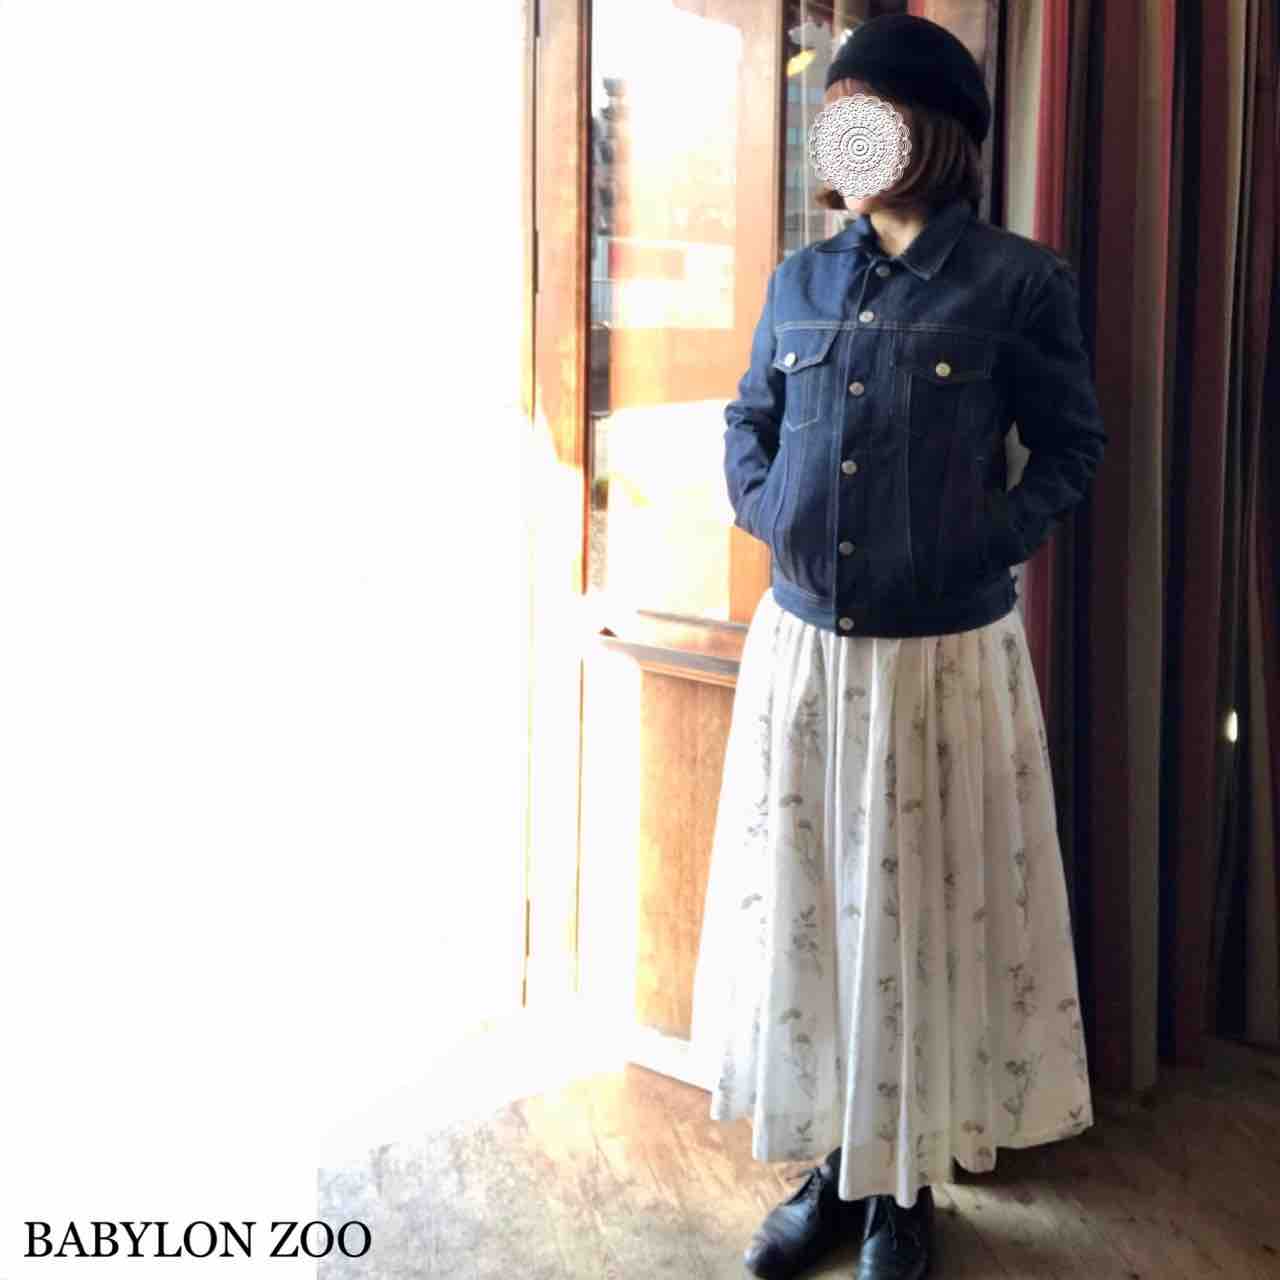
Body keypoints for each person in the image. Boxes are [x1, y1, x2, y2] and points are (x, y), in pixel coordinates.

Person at [688, 14, 1107, 1280]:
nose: (842, 139)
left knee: (917, 917)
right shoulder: (799, 281)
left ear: (928, 133)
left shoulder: (1016, 284)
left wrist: (980, 540)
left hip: (937, 666)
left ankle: (903, 1187)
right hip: (804, 656)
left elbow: (1071, 447)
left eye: (863, 115)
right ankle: (832, 1166)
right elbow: (748, 419)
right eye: (836, 119)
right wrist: (769, 509)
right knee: (817, 912)